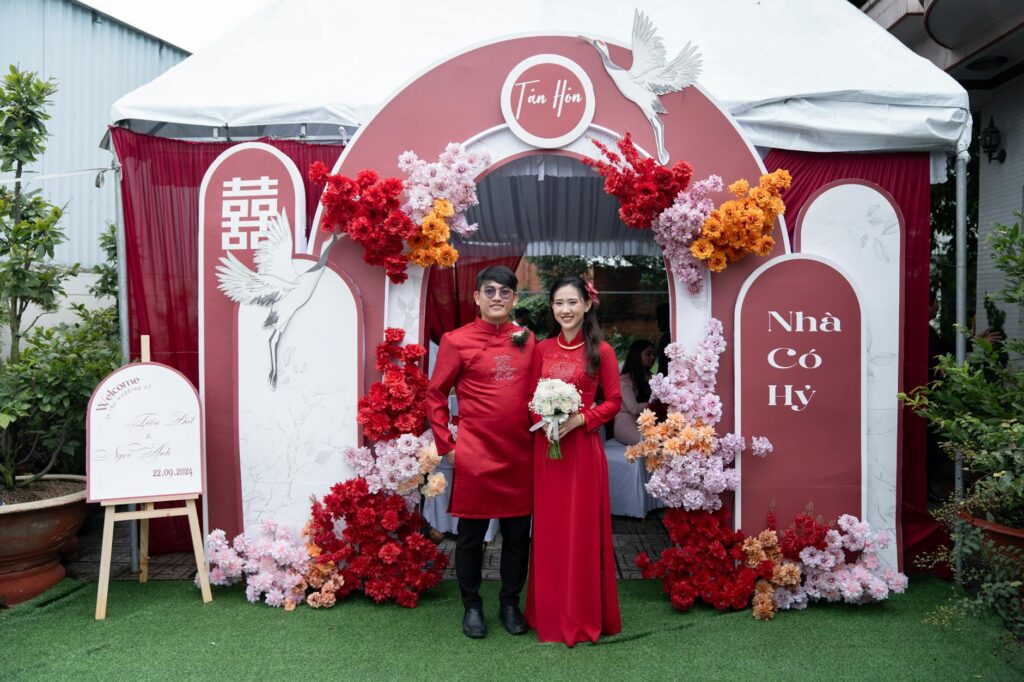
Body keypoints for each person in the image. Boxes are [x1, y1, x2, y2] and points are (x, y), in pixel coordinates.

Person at [426, 265, 535, 639]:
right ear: (476, 297)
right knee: (470, 537)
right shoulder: (456, 341)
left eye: (505, 292)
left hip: (519, 453)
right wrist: (448, 446)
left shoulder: (526, 338)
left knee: (518, 536)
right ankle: (471, 605)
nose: (497, 298)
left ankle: (509, 602)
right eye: (489, 291)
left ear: (515, 299)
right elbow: (435, 394)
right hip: (474, 453)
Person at [525, 275, 622, 646]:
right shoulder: (542, 349)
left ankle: (581, 615)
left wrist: (580, 420)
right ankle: (547, 612)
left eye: (571, 302)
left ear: (586, 304)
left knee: (580, 530)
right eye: (558, 303)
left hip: (582, 450)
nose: (565, 310)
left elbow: (614, 402)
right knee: (550, 530)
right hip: (548, 451)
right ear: (552, 307)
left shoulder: (603, 352)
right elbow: (530, 396)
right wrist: (543, 418)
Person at [613, 339, 656, 446]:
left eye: (654, 354)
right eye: (648, 354)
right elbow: (634, 408)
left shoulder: (653, 377)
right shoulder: (624, 380)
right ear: (637, 356)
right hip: (626, 424)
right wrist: (657, 405)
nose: (652, 357)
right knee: (650, 444)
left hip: (648, 423)